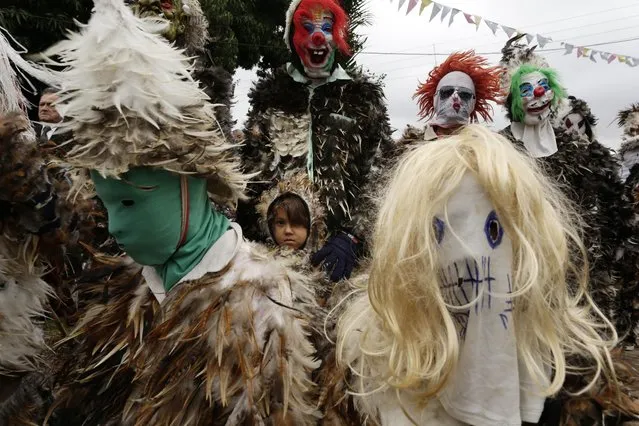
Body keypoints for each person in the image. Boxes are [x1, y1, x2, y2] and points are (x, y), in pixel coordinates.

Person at [46, 2, 321, 424]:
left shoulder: (263, 303)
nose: (115, 226)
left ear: (190, 183)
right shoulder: (126, 284)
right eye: (108, 204)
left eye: (131, 202)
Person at [319, 125, 635, 425]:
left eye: (494, 231)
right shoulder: (367, 371)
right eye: (442, 230)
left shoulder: (573, 379)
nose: (469, 254)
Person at [238, 0, 394, 282]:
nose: (317, 36)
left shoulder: (361, 98)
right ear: (291, 36)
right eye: (306, 27)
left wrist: (353, 236)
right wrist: (258, 234)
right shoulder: (271, 95)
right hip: (274, 255)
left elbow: (381, 173)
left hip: (343, 260)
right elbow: (250, 174)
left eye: (326, 27)